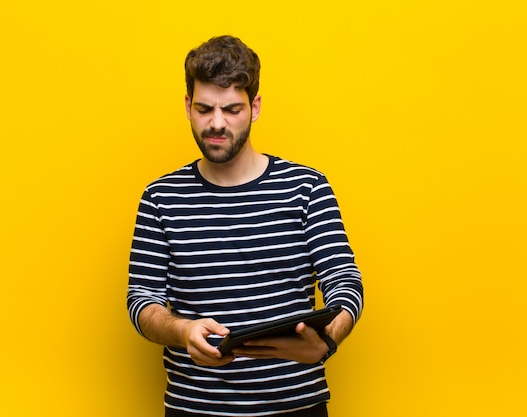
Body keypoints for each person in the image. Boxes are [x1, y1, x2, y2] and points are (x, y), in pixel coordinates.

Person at [127, 35, 364, 417]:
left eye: (232, 109)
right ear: (188, 106)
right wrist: (182, 331)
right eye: (204, 109)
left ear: (254, 107)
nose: (216, 124)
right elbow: (142, 300)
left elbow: (346, 283)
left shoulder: (307, 188)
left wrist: (326, 341)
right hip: (196, 408)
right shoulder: (160, 197)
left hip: (296, 407)